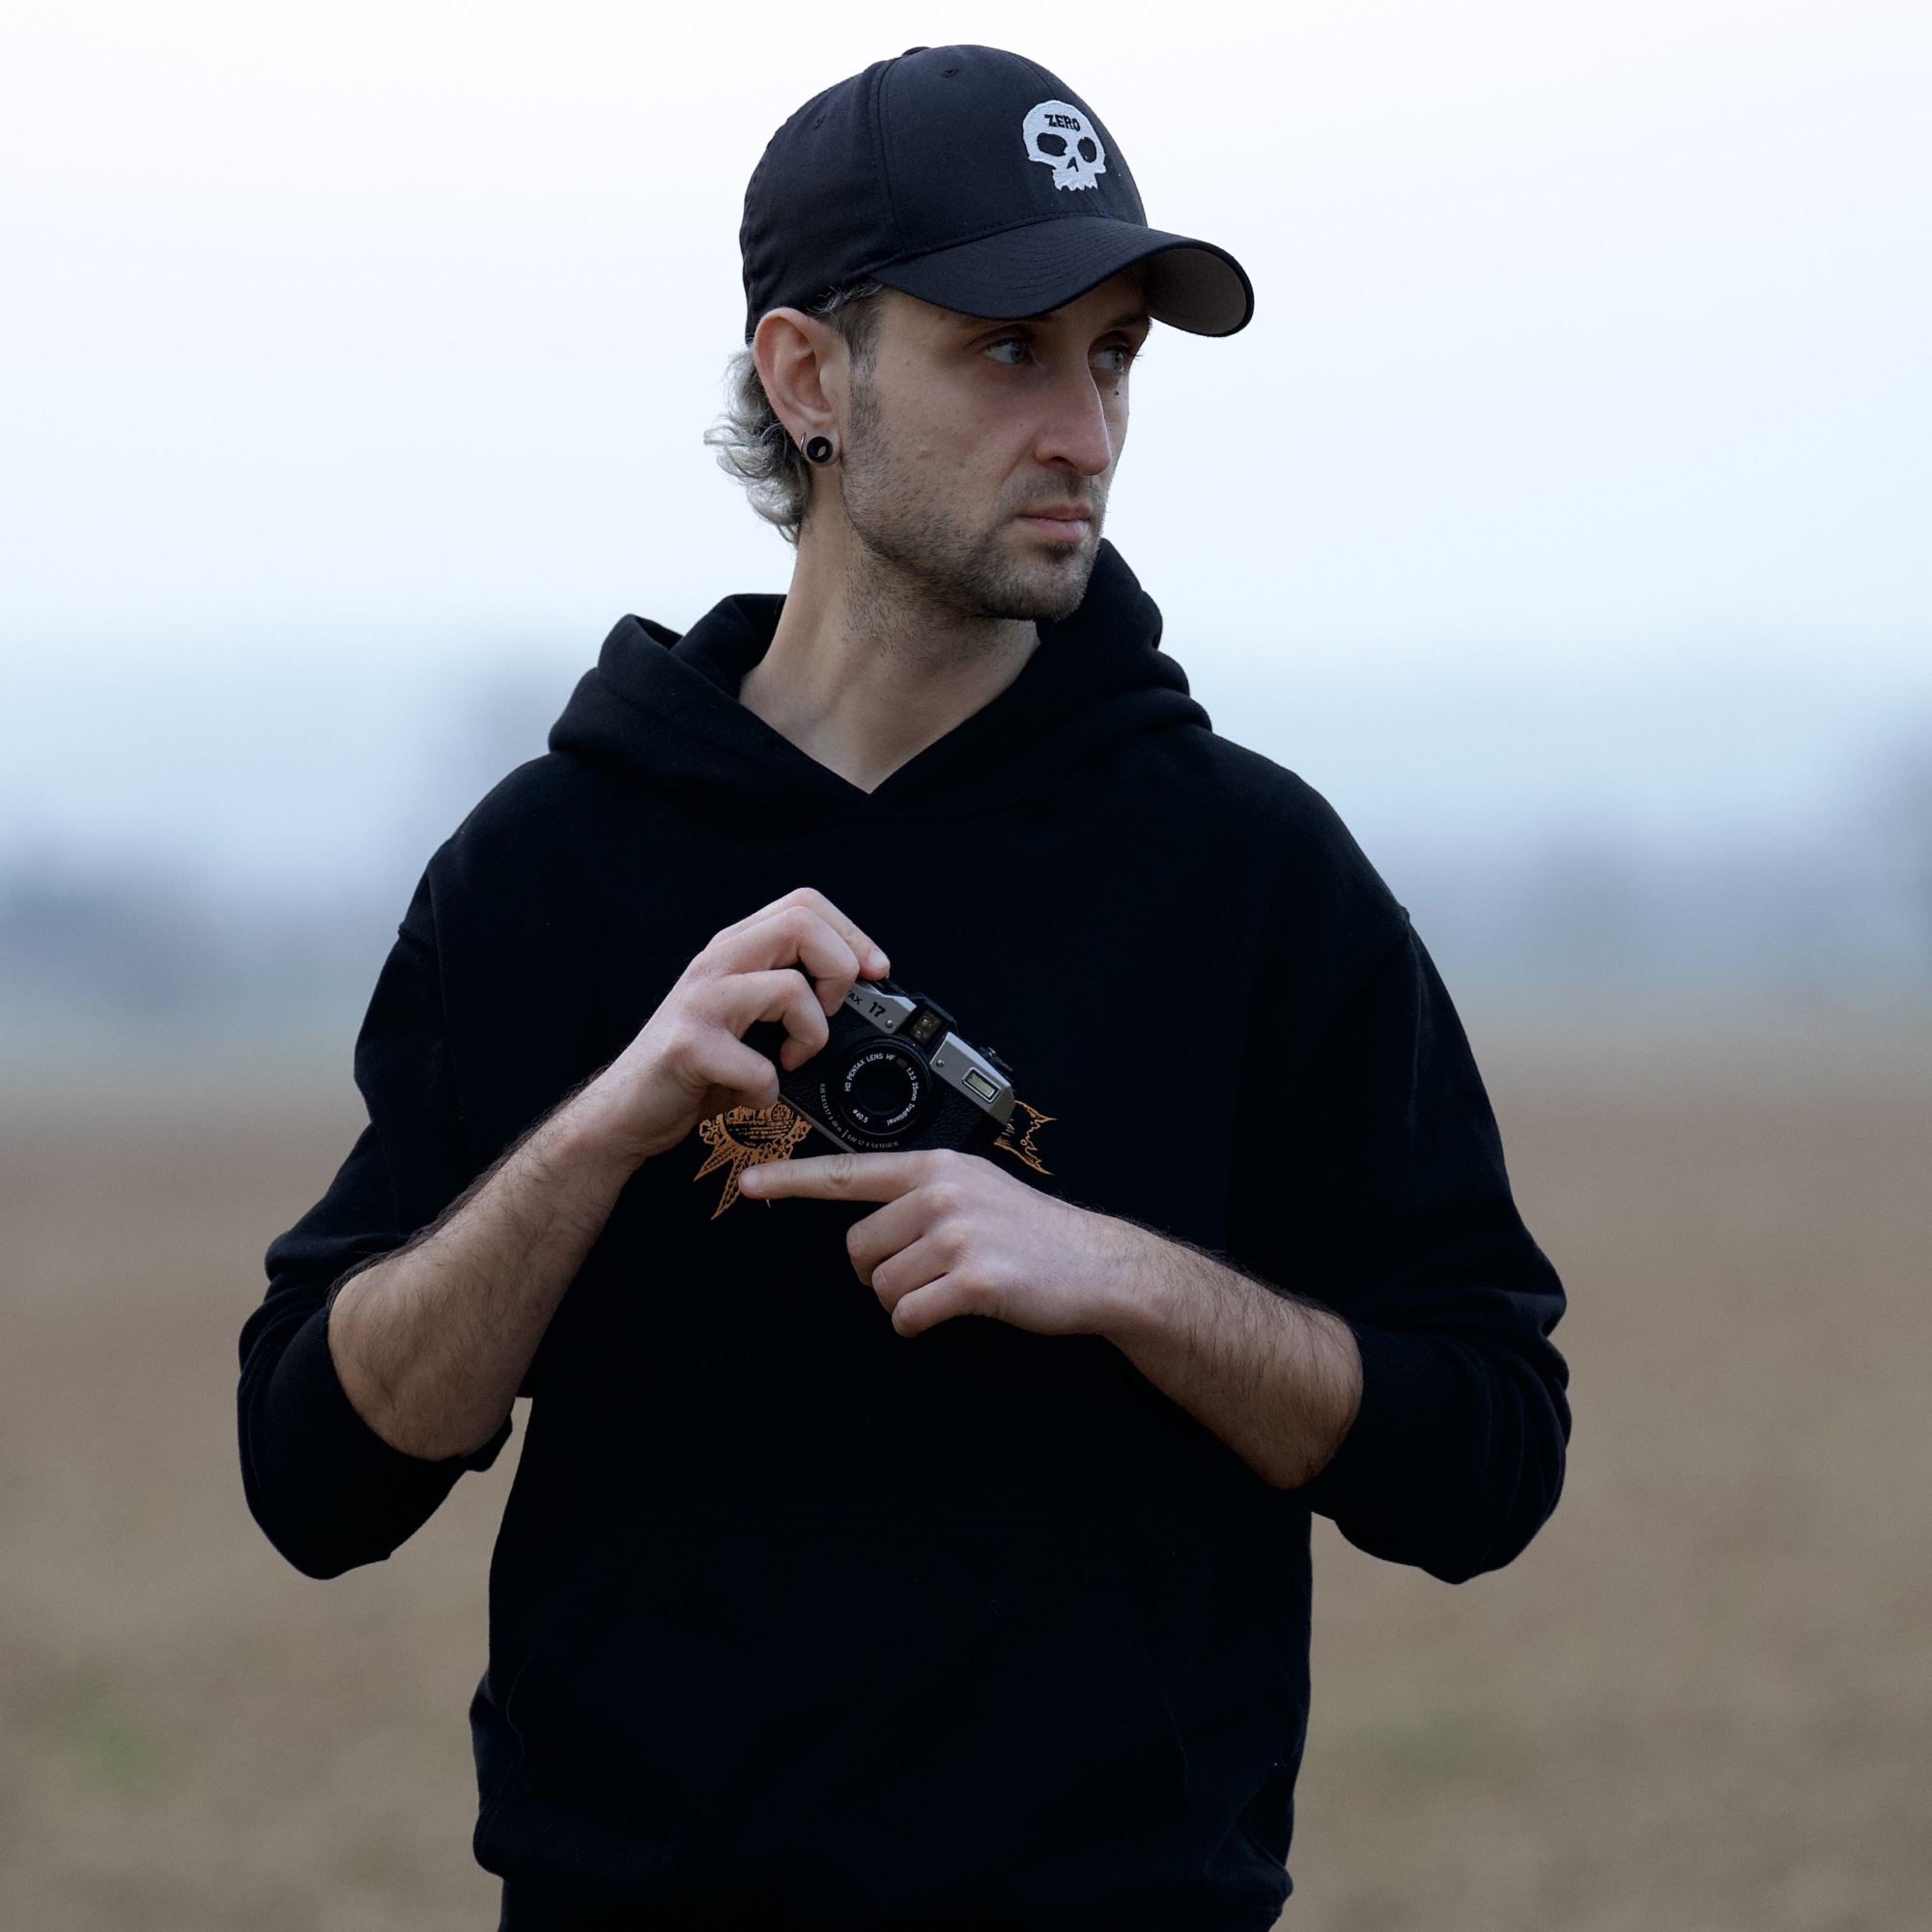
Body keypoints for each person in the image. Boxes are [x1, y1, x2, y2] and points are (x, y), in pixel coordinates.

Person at [238, 43, 1568, 1931]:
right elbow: (315, 1477)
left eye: (1114, 358)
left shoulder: (1252, 874)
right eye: (1008, 351)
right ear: (809, 379)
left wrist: (1129, 1281)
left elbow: (1488, 1455)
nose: (1086, 432)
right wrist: (606, 1128)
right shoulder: (551, 867)